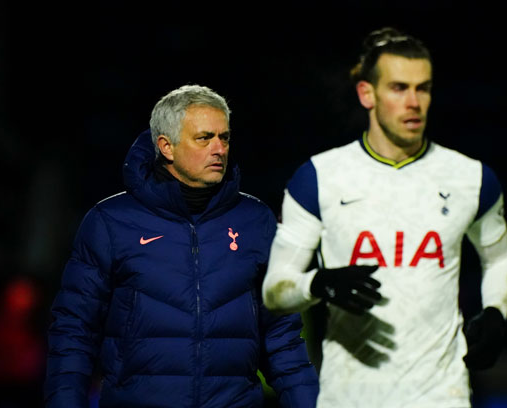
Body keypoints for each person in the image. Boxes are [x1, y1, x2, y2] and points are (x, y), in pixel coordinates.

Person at [261, 27, 507, 407]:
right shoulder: (319, 178)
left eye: (424, 88)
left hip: (442, 395)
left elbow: (500, 260)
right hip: (349, 396)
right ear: (367, 93)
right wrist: (318, 285)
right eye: (399, 88)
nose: (414, 101)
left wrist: (496, 312)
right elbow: (274, 289)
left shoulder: (470, 178)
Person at [44, 84, 319, 408]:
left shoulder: (255, 221)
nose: (219, 148)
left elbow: (282, 341)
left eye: (225, 137)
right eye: (204, 138)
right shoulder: (110, 222)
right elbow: (74, 334)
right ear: (166, 146)